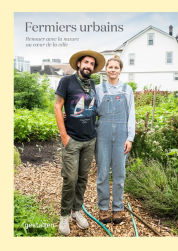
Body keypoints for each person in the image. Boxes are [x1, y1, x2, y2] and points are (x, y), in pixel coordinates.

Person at [54, 50, 105, 235]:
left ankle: (77, 211)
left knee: (83, 179)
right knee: (70, 179)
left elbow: (94, 108)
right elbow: (57, 106)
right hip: (72, 139)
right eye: (86, 62)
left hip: (89, 139)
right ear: (78, 64)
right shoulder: (66, 81)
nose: (88, 66)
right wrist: (64, 136)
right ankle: (64, 216)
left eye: (92, 64)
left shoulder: (92, 83)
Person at [95, 55, 135, 224]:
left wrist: (130, 138)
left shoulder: (127, 89)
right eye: (110, 67)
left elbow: (131, 115)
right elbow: (91, 111)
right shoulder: (98, 89)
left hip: (121, 134)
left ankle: (117, 208)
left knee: (119, 174)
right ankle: (103, 208)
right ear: (106, 69)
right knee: (103, 173)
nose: (112, 70)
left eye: (116, 67)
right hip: (102, 134)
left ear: (120, 70)